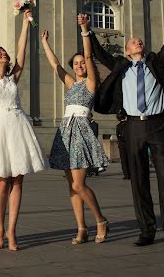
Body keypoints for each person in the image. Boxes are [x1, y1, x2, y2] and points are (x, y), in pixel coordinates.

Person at [86, 0, 164, 252]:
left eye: (141, 41)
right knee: (138, 181)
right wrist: (87, 30)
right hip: (132, 126)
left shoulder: (155, 62)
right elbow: (98, 54)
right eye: (134, 41)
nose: (139, 42)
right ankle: (146, 230)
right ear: (126, 50)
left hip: (157, 124)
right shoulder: (121, 66)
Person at [0, 9, 47, 251]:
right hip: (0, 129)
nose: (3, 53)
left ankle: (12, 232)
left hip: (19, 127)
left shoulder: (12, 77)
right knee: (1, 183)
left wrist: (26, 23)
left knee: (18, 182)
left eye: (3, 51)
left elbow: (21, 50)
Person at [42, 22, 109, 245]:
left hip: (81, 131)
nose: (80, 65)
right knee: (70, 186)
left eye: (82, 62)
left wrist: (84, 31)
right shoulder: (71, 84)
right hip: (66, 131)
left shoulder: (91, 83)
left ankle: (100, 219)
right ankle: (81, 228)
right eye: (77, 63)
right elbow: (56, 65)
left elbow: (90, 57)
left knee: (79, 185)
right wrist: (44, 43)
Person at [116, 112, 130, 179]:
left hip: (122, 145)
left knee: (124, 160)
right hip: (129, 144)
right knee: (130, 160)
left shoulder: (118, 126)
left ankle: (126, 175)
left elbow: (118, 136)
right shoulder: (129, 124)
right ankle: (131, 174)